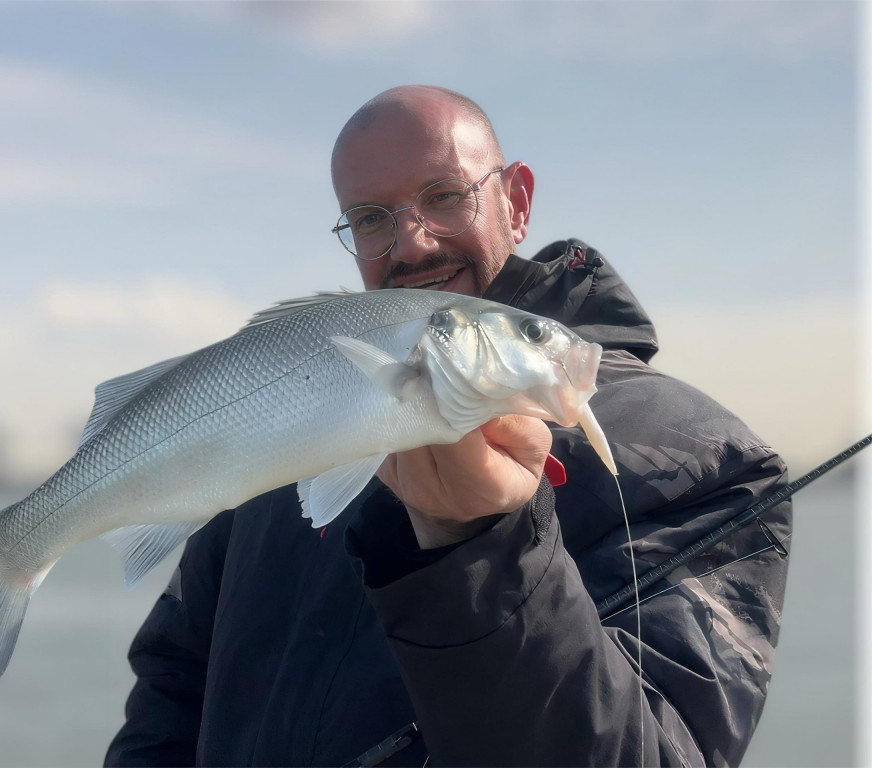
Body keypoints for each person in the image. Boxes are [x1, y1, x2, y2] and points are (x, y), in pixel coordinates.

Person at [104, 85, 791, 767]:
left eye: (444, 196)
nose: (411, 244)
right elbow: (171, 690)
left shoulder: (709, 464)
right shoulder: (283, 424)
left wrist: (486, 549)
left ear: (515, 201)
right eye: (370, 218)